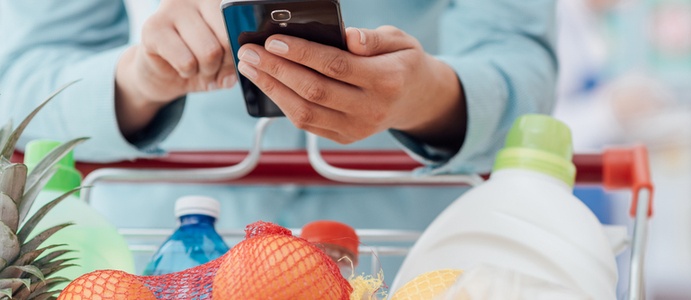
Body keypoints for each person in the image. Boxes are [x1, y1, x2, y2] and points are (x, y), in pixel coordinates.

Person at [0, 0, 556, 281]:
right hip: (157, 259)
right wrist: (138, 80)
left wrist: (424, 98)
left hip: (404, 256)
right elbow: (24, 78)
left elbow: (519, 59)